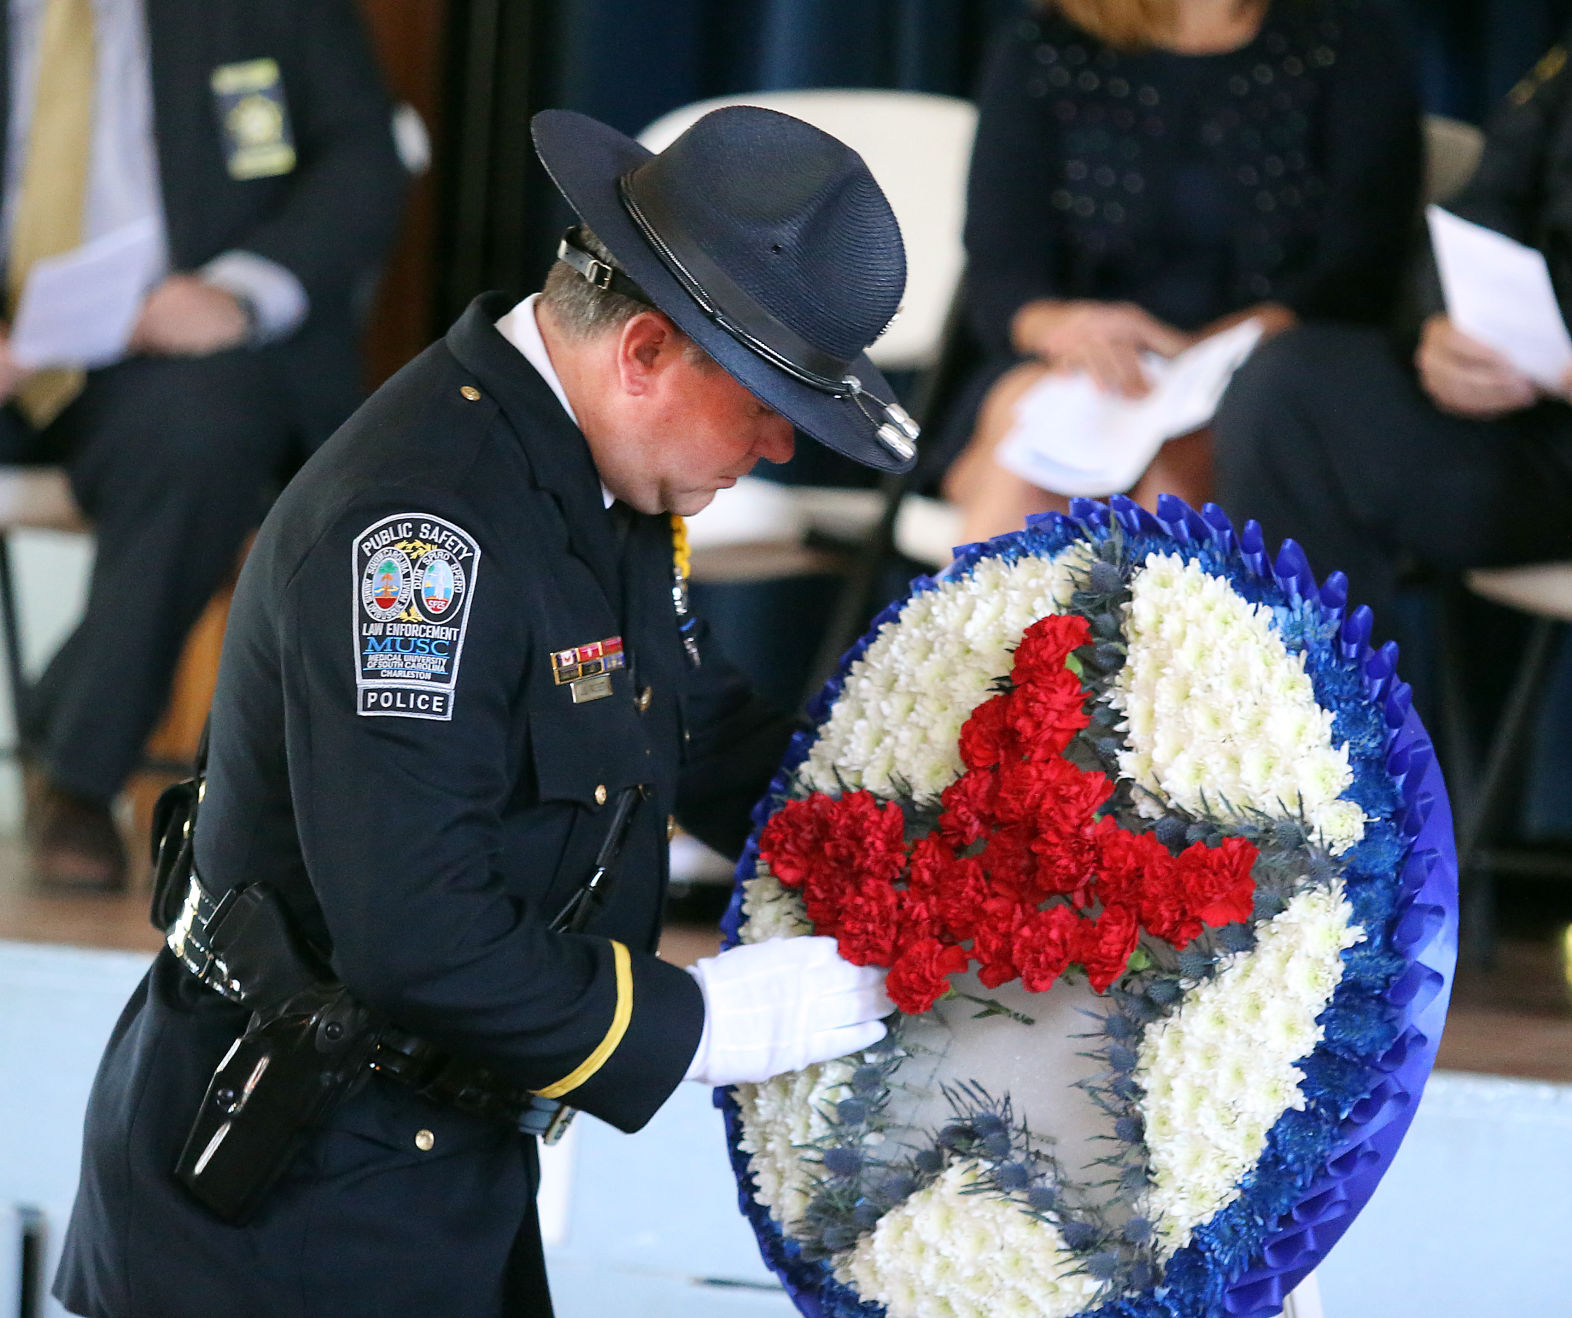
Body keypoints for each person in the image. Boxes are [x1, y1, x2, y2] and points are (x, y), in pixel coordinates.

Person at [53, 104, 913, 1317]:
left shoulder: (589, 472)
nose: (778, 446)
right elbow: (421, 934)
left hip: (430, 1173)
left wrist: (930, 840)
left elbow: (694, 725)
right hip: (281, 1213)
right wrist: (706, 1024)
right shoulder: (421, 527)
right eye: (769, 402)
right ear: (647, 351)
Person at [0, 0, 408, 890]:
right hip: (11, 353)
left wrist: (238, 292)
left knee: (205, 429)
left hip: (170, 353)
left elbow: (365, 163)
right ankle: (73, 733)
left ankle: (76, 776)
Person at [937, 0, 1421, 543]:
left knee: (1179, 474)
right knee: (1034, 439)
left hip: (1262, 372)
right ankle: (993, 622)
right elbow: (1001, 270)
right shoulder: (1048, 43)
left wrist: (1202, 353)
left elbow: (1360, 271)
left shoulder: (1347, 41)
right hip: (1082, 361)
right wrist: (1069, 329)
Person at [1212, 37, 1572, 632]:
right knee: (1293, 390)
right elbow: (1483, 206)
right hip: (1533, 418)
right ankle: (1308, 717)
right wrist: (1442, 329)